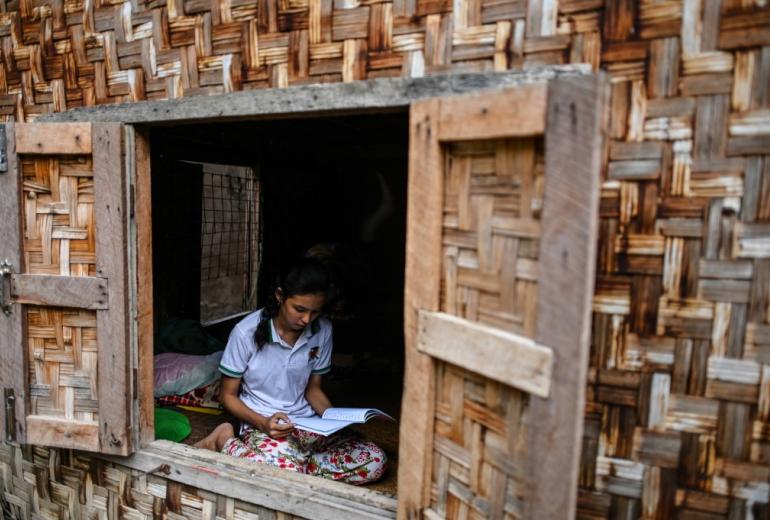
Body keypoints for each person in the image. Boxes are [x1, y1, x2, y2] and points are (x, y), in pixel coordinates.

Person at [195, 257, 387, 484]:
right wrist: (262, 422)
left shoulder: (322, 329)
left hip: (307, 425)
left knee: (375, 460)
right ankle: (224, 440)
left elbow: (313, 389)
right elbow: (227, 396)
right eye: (300, 309)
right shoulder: (245, 332)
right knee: (284, 477)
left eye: (315, 312)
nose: (306, 319)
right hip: (265, 426)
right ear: (280, 296)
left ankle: (295, 468)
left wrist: (335, 421)